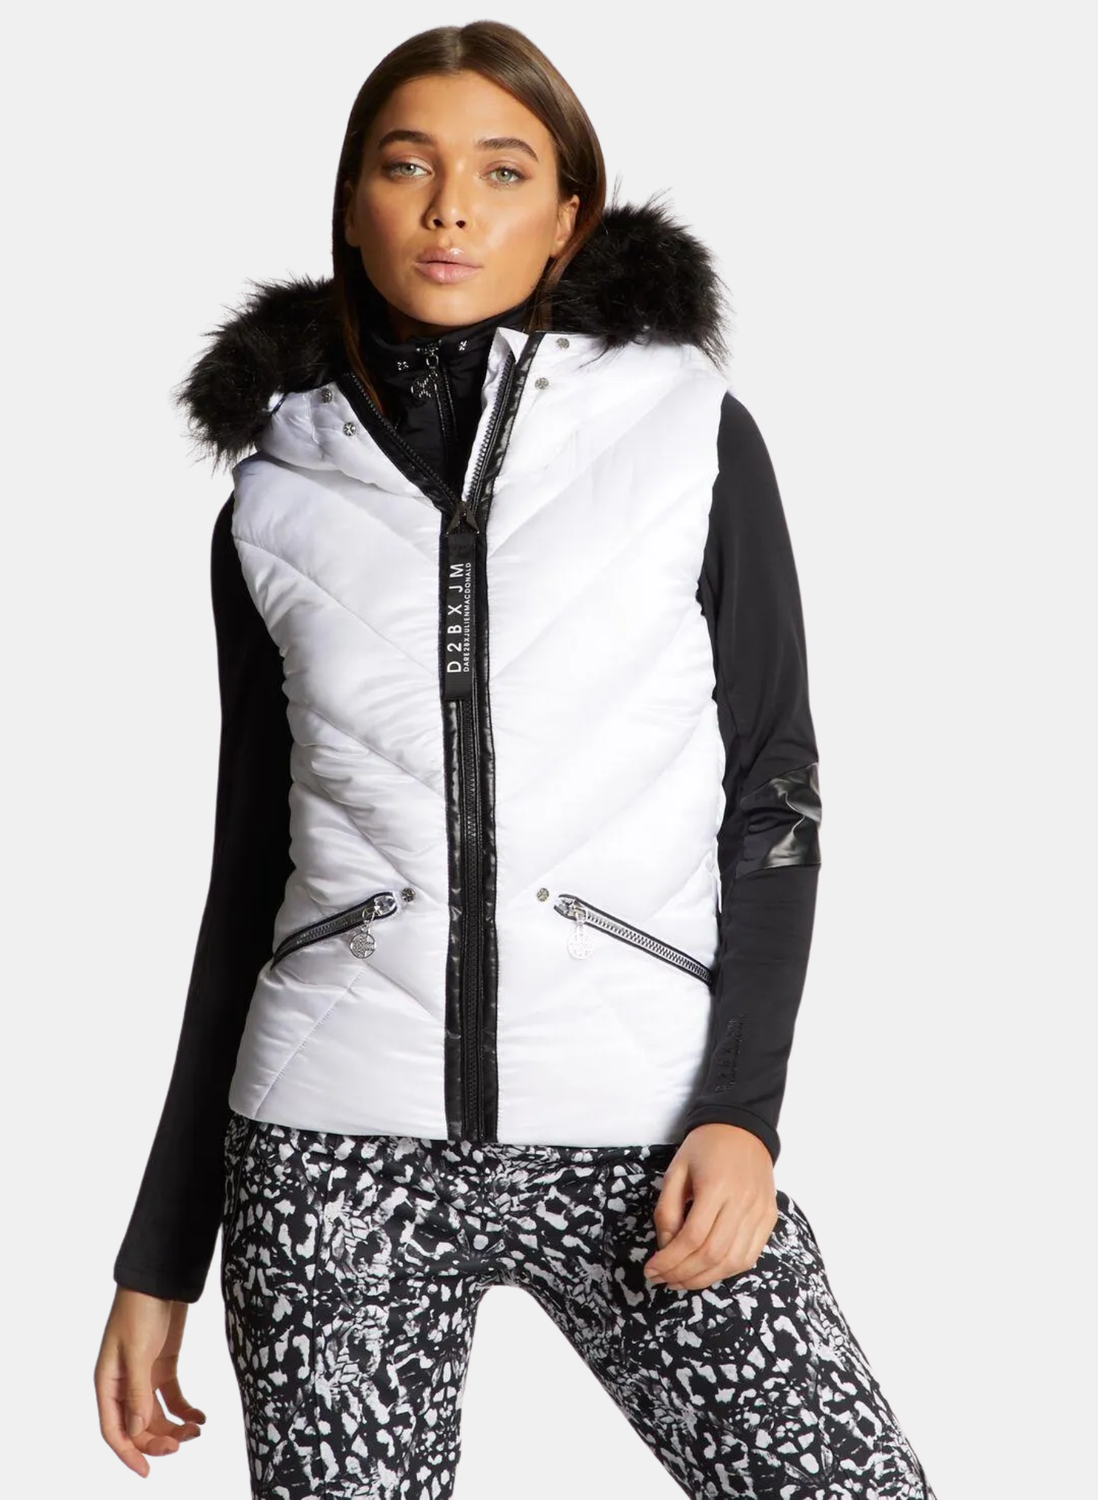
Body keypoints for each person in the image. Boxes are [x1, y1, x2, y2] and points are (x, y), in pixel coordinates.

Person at [95, 20, 937, 1500]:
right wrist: (162, 1250)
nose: (449, 210)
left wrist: (742, 1111)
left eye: (501, 171)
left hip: (645, 1133)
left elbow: (774, 794)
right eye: (406, 167)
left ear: (568, 216)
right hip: (330, 1149)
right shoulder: (272, 492)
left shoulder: (687, 436)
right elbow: (248, 874)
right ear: (352, 201)